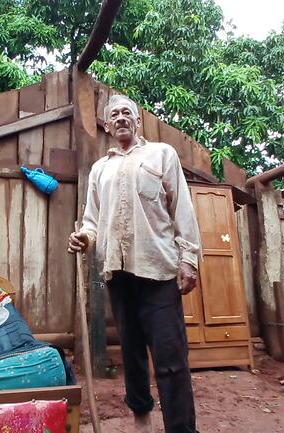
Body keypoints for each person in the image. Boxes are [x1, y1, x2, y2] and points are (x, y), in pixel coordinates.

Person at [67, 94, 201, 433]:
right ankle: (142, 418)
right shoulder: (101, 169)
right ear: (108, 125)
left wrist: (189, 259)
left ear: (137, 121)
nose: (122, 117)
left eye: (128, 112)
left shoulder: (162, 154)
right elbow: (92, 220)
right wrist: (84, 237)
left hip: (158, 270)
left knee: (170, 360)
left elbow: (181, 209)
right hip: (118, 273)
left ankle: (181, 428)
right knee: (131, 354)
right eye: (115, 114)